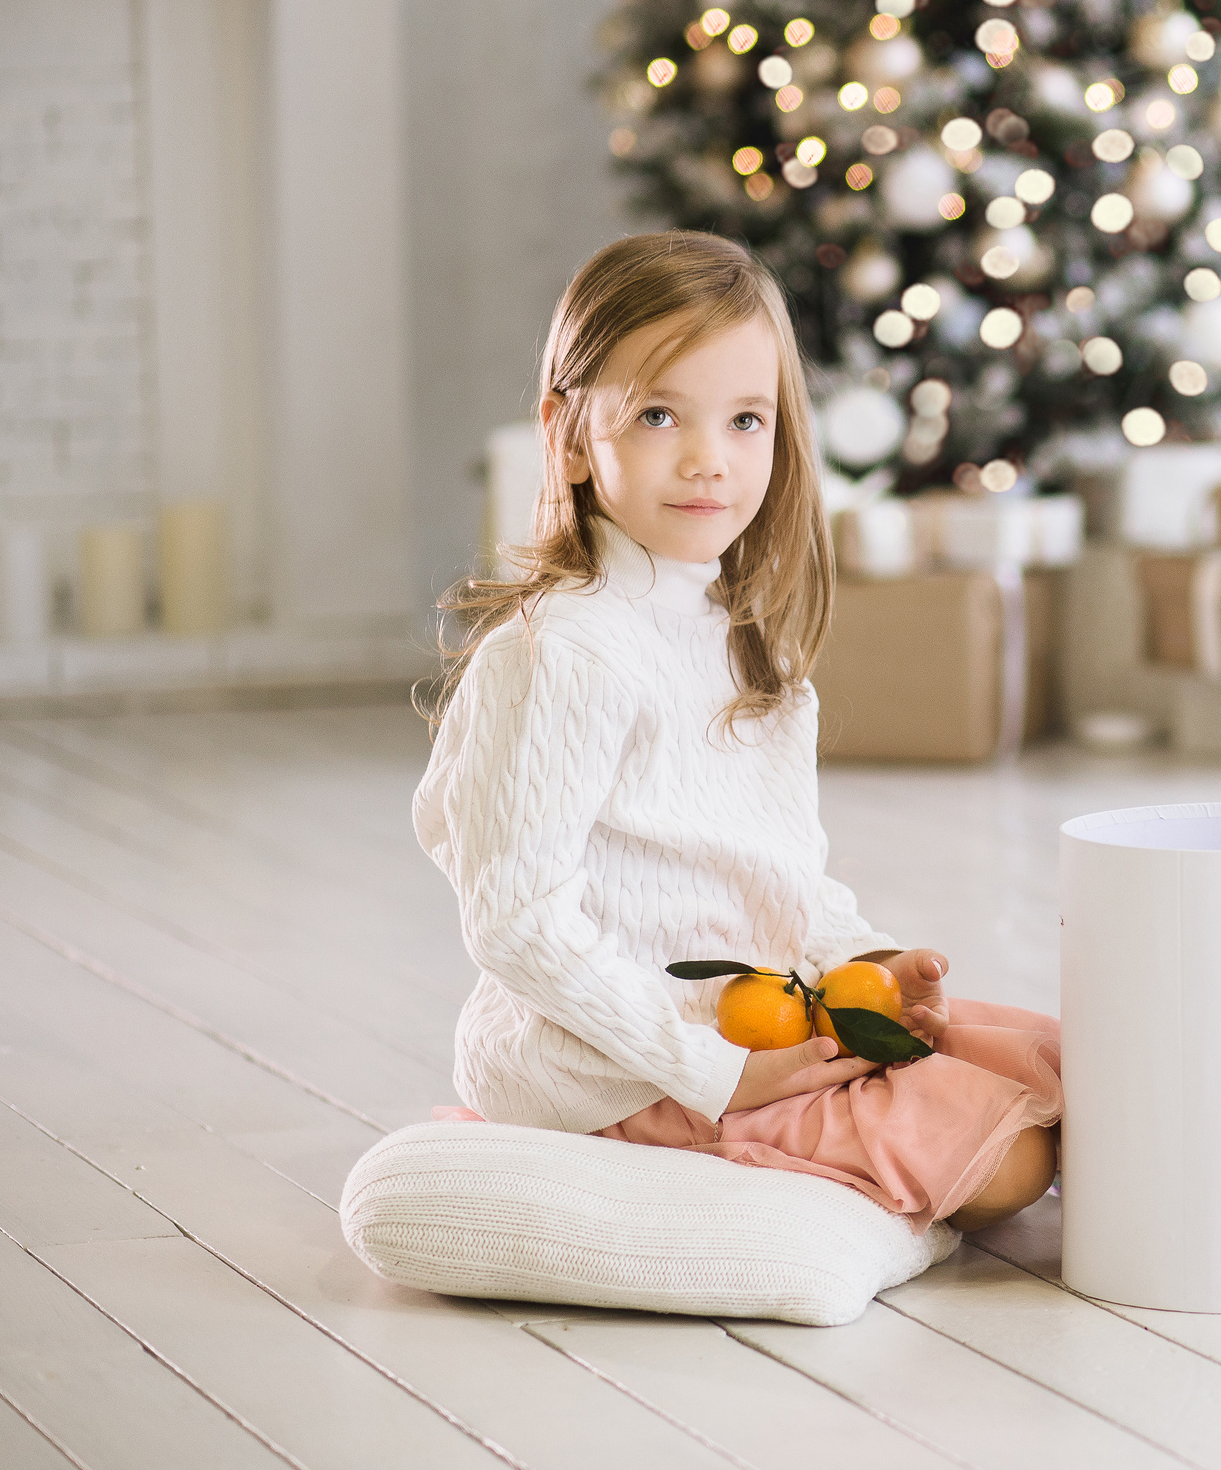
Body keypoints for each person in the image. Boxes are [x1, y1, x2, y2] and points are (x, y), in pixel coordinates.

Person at [415, 232, 1057, 1233]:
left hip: (754, 1017)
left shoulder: (738, 639)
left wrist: (865, 958)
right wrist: (725, 1072)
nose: (709, 458)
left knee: (1054, 1067)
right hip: (613, 1073)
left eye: (746, 419)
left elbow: (773, 875)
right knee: (1013, 1159)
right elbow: (517, 923)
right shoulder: (563, 652)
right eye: (659, 414)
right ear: (573, 437)